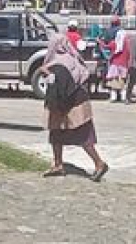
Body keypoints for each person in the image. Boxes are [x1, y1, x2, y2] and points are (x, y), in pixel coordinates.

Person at [41, 34, 108, 181]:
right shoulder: (74, 59)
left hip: (66, 103)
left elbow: (59, 83)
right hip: (77, 101)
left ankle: (99, 163)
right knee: (59, 133)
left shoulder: (57, 62)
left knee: (76, 134)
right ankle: (58, 164)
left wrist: (47, 73)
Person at [100, 17, 130, 103]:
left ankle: (113, 97)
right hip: (124, 63)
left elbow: (105, 45)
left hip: (114, 62)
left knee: (113, 80)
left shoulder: (111, 38)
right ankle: (123, 97)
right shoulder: (126, 43)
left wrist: (99, 42)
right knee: (123, 80)